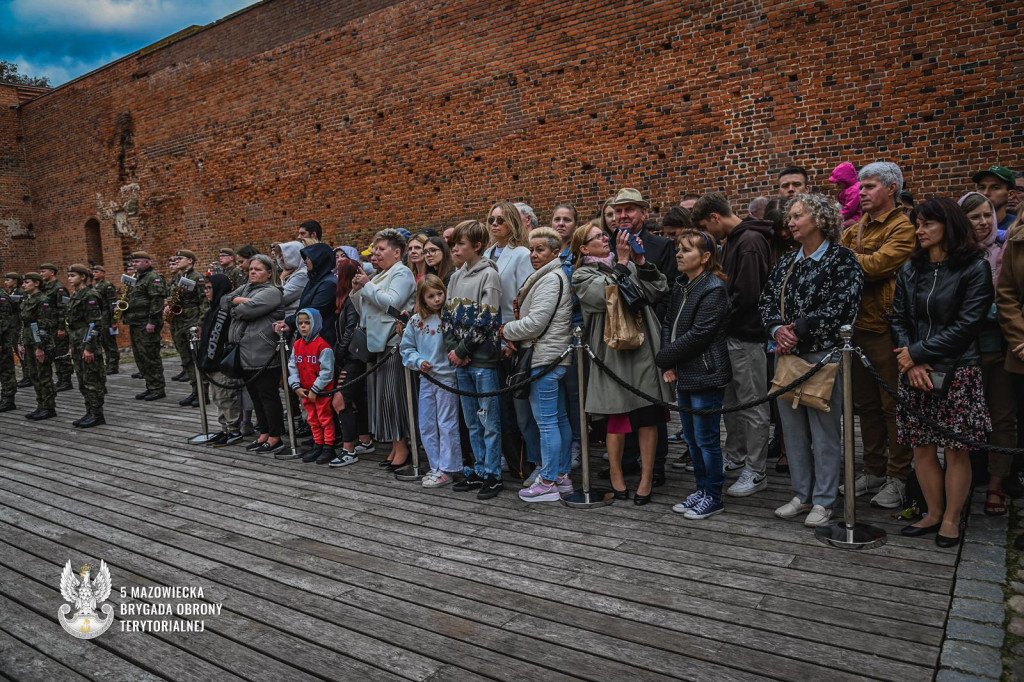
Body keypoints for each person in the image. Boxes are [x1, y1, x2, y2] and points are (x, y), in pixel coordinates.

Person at [893, 198, 993, 547]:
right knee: (921, 446)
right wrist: (913, 361)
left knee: (955, 450)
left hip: (959, 369)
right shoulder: (911, 269)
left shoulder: (975, 268)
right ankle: (933, 512)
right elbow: (900, 318)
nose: (919, 230)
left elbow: (968, 325)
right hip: (915, 369)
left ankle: (952, 518)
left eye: (927, 224)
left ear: (947, 226)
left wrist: (918, 352)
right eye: (917, 223)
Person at [759, 195, 864, 527]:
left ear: (819, 219)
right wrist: (778, 329)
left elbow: (843, 305)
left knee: (824, 433)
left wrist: (799, 329)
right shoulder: (788, 261)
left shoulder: (842, 259)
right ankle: (801, 494)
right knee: (793, 432)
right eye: (790, 216)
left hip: (825, 357)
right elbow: (766, 300)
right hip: (788, 357)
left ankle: (824, 499)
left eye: (797, 216)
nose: (790, 222)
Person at [572, 222, 672, 505]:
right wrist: (625, 263)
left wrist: (640, 262)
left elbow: (658, 289)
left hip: (644, 347)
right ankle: (616, 475)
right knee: (617, 417)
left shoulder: (627, 263)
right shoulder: (583, 274)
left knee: (649, 415)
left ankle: (646, 478)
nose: (606, 238)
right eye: (599, 236)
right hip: (612, 352)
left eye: (606, 235)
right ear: (583, 247)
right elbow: (603, 296)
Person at [838, 161, 916, 508]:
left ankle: (898, 476)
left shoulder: (903, 227)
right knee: (865, 405)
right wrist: (854, 259)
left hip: (886, 330)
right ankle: (873, 469)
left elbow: (878, 266)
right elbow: (841, 263)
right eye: (861, 186)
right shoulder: (857, 229)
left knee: (892, 406)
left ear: (891, 189)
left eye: (869, 186)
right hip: (856, 328)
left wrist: (850, 260)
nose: (862, 192)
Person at [691, 192, 773, 497]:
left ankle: (756, 469)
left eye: (705, 227)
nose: (707, 234)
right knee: (732, 404)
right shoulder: (735, 241)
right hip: (729, 336)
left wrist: (716, 320)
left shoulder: (749, 241)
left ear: (715, 217)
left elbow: (748, 295)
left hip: (746, 336)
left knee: (752, 405)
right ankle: (737, 457)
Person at [656, 229, 732, 519]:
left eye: (687, 250)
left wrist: (664, 357)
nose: (679, 254)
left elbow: (700, 335)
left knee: (707, 439)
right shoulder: (681, 285)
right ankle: (700, 489)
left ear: (706, 257)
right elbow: (668, 324)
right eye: (679, 249)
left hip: (706, 372)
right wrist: (669, 361)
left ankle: (713, 495)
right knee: (690, 436)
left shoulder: (713, 289)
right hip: (684, 372)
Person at [503, 227, 574, 502]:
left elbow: (535, 324)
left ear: (555, 253)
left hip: (545, 357)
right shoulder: (549, 275)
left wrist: (504, 331)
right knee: (558, 420)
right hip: (548, 356)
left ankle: (548, 481)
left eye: (540, 249)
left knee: (547, 423)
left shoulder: (551, 279)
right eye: (531, 249)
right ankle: (562, 476)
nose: (533, 254)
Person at [960, 192, 1015, 515]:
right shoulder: (959, 255)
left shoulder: (1004, 250)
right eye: (974, 217)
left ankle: (997, 485)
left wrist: (978, 310)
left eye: (986, 215)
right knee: (964, 419)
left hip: (998, 346)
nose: (982, 223)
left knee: (1002, 416)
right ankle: (964, 482)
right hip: (963, 349)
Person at [445, 219, 505, 499]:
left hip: (482, 360)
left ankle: (493, 473)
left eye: (460, 244)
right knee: (471, 420)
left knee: (489, 421)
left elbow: (488, 318)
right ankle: (479, 468)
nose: (455, 248)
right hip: (462, 359)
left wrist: (463, 351)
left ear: (477, 247)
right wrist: (453, 348)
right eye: (454, 243)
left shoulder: (489, 275)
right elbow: (448, 317)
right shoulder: (455, 277)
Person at [351, 228, 416, 470]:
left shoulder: (402, 273)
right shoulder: (380, 275)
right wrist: (358, 290)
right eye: (374, 249)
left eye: (381, 249)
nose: (375, 253)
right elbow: (365, 311)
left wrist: (367, 286)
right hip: (377, 343)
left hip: (392, 344)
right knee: (382, 399)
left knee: (392, 398)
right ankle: (394, 446)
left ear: (397, 253)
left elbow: (392, 304)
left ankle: (402, 448)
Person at [482, 201, 536, 475]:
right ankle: (508, 458)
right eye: (491, 219)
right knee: (497, 404)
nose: (494, 224)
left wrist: (513, 334)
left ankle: (529, 463)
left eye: (500, 220)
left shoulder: (521, 253)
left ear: (512, 223)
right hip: (487, 335)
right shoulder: (486, 253)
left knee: (519, 406)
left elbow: (525, 296)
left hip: (512, 335)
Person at [401, 275, 462, 487]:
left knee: (447, 423)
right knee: (426, 423)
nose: (437, 299)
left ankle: (448, 467)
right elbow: (406, 348)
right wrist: (418, 361)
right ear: (423, 298)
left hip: (447, 378)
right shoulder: (416, 321)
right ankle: (435, 466)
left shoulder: (451, 316)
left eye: (439, 294)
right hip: (427, 378)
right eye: (431, 296)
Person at [228, 255, 286, 455]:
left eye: (258, 269)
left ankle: (275, 435)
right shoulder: (245, 289)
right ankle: (263, 432)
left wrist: (235, 306)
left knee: (268, 396)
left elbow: (246, 311)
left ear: (269, 273)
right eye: (251, 268)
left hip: (264, 353)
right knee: (255, 396)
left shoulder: (271, 292)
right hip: (245, 353)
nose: (253, 271)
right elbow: (223, 301)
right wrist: (237, 300)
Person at [330, 258, 374, 467]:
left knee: (341, 400)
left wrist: (338, 354)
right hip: (352, 356)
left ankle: (349, 450)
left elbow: (350, 328)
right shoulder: (348, 297)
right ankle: (364, 440)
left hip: (353, 357)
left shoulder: (352, 298)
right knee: (356, 398)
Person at [196, 274, 244, 447]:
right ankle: (225, 429)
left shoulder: (223, 311)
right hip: (212, 364)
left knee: (226, 398)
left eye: (209, 288)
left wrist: (208, 361)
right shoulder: (213, 309)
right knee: (217, 398)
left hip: (220, 364)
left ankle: (233, 430)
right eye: (205, 288)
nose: (206, 292)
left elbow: (216, 338)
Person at [288, 308, 337, 465]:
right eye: (300, 323)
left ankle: (329, 446)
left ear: (315, 324)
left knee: (325, 419)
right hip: (305, 391)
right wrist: (295, 386)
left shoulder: (323, 347)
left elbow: (327, 372)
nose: (303, 326)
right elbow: (292, 367)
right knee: (312, 419)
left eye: (307, 323)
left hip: (321, 392)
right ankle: (318, 444)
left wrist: (316, 389)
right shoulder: (297, 345)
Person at [65, 264, 107, 428]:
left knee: (92, 380)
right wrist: (71, 345)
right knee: (82, 380)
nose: (70, 279)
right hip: (77, 341)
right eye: (69, 276)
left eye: (73, 275)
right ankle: (89, 411)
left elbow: (94, 324)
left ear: (83, 277)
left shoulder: (90, 295)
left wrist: (89, 347)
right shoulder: (76, 295)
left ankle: (97, 414)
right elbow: (72, 324)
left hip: (87, 341)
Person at [166, 250, 207, 407]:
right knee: (186, 360)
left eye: (180, 258)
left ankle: (203, 393)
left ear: (190, 261)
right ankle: (194, 391)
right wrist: (167, 305)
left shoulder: (197, 277)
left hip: (192, 322)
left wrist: (200, 324)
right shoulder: (177, 278)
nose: (176, 261)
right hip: (178, 323)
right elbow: (170, 296)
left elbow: (204, 302)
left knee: (196, 359)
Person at [278, 243, 339, 345]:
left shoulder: (328, 284)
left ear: (318, 259)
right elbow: (302, 306)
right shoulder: (314, 280)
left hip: (320, 339)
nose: (305, 261)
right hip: (309, 336)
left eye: (308, 258)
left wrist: (289, 321)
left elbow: (314, 310)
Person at [126, 252, 167, 401]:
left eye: (137, 262)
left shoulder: (153, 277)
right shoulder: (138, 278)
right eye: (133, 262)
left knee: (150, 356)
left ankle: (158, 388)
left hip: (146, 323)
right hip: (136, 323)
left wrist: (152, 321)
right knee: (140, 357)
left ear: (147, 262)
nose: (134, 264)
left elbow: (157, 301)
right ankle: (150, 386)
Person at [18, 273, 57, 420]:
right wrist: (20, 342)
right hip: (28, 341)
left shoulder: (43, 300)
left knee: (44, 375)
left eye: (27, 282)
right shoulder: (27, 300)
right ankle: (41, 405)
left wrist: (40, 347)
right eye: (23, 282)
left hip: (39, 342)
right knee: (34, 375)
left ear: (36, 284)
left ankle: (49, 407)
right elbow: (23, 324)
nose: (23, 285)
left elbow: (44, 326)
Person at [38, 263, 73, 392]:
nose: (41, 274)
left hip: (57, 327)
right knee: (55, 353)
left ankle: (66, 380)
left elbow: (63, 309)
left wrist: (62, 328)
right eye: (40, 272)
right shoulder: (46, 288)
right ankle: (60, 378)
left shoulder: (59, 289)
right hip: (49, 326)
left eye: (43, 271)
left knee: (61, 353)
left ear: (52, 272)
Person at [973, 166, 1018, 236]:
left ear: (1010, 194)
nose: (985, 193)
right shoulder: (966, 225)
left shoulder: (1017, 225)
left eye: (995, 188)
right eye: (981, 187)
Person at [90, 265, 119, 375]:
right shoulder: (96, 286)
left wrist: (114, 321)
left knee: (110, 342)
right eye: (93, 272)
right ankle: (108, 363)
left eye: (96, 272)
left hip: (107, 317)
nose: (94, 274)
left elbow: (112, 304)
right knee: (104, 342)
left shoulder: (107, 286)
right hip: (101, 317)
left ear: (103, 273)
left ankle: (113, 365)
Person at [275, 241, 309, 319]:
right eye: (279, 256)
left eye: (285, 256)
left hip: (294, 317)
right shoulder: (291, 272)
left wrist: (282, 277)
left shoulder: (303, 274)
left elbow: (280, 297)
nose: (281, 260)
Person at [0, 274, 17, 411]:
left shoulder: (2, 298)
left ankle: (8, 400)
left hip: (2, 341)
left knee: (6, 371)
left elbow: (3, 323)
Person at [829, 161, 862, 228]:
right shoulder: (849, 190)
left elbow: (850, 208)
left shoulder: (854, 191)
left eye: (838, 183)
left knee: (840, 226)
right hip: (851, 215)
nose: (837, 186)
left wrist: (840, 216)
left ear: (845, 181)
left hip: (857, 216)